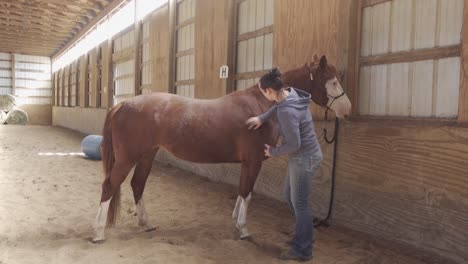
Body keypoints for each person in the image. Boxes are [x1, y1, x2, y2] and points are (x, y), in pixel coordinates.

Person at [246, 68, 323, 261]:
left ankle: (303, 250)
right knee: (290, 196)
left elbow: (294, 144)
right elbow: (277, 107)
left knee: (300, 203)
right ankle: (304, 236)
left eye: (263, 92)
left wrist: (273, 151)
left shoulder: (288, 112)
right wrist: (261, 118)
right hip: (305, 156)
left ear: (270, 92)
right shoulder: (290, 93)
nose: (264, 95)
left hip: (304, 158)